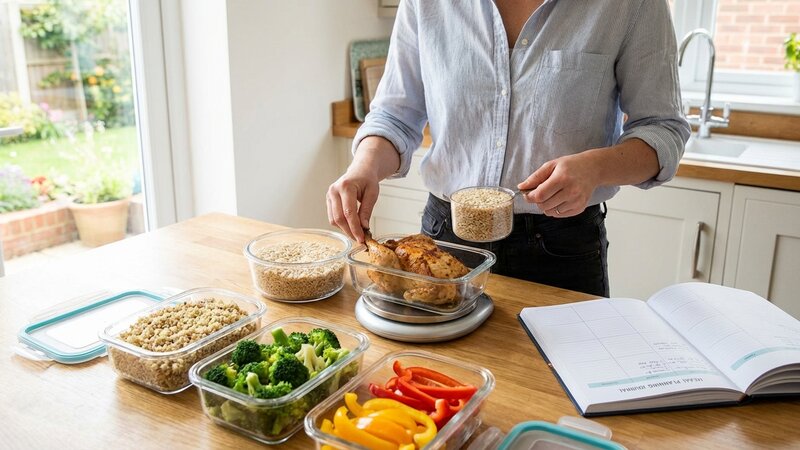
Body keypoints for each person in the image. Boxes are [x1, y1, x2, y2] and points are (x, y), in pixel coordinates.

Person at [327, 0, 690, 297]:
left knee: (553, 385)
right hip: (442, 243)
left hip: (560, 247)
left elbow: (663, 129)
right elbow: (395, 115)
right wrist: (364, 168)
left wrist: (594, 167)